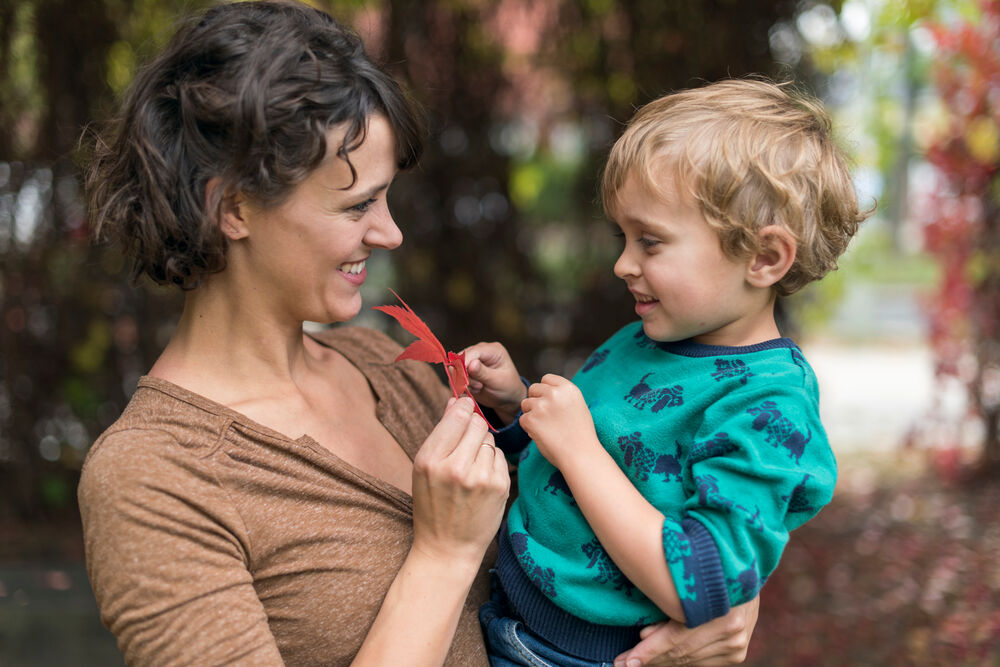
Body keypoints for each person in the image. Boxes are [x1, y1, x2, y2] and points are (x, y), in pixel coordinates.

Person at [78, 2, 759, 665]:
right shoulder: (153, 478)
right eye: (357, 205)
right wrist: (442, 555)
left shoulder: (385, 363)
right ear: (233, 207)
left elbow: (597, 537)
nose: (390, 232)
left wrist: (723, 614)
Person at [465, 78, 869, 666]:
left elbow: (702, 583)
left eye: (650, 242)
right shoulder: (647, 338)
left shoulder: (769, 411)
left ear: (763, 257)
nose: (623, 264)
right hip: (512, 613)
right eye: (623, 237)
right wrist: (517, 404)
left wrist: (579, 449)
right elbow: (596, 455)